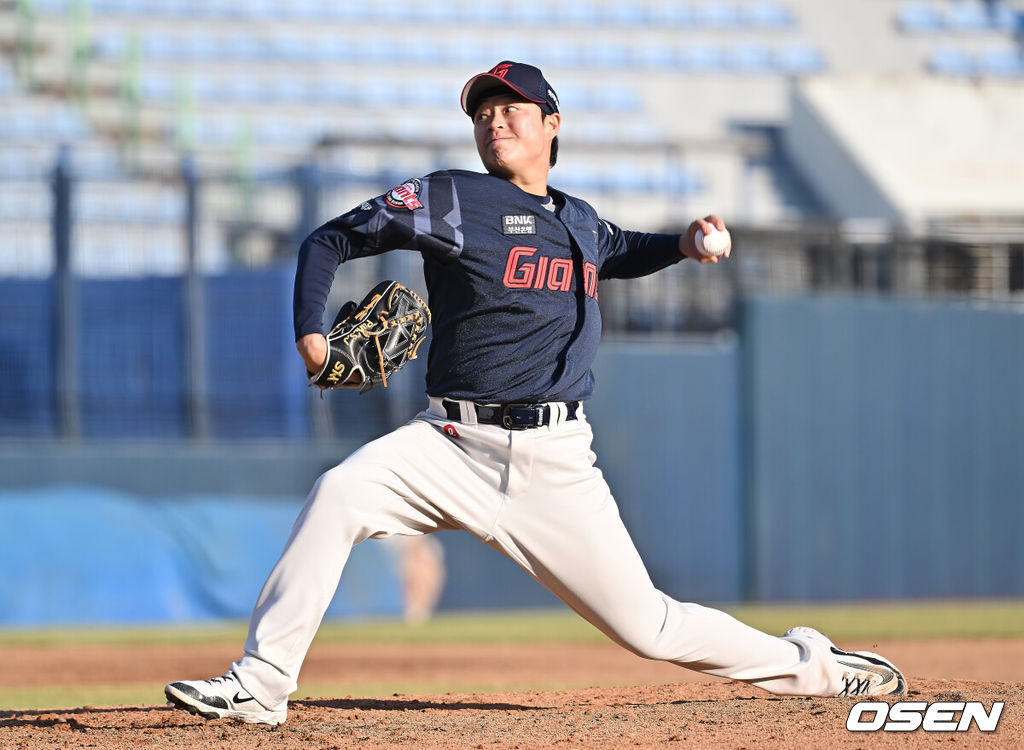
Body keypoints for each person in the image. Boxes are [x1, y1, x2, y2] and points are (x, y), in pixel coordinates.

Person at [165, 61, 905, 726]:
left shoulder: (579, 220)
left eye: (512, 109)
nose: (494, 121)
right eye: (483, 112)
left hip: (555, 460)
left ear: (553, 124)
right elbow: (329, 240)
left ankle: (815, 666)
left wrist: (681, 244)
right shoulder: (451, 198)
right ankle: (262, 683)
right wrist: (311, 333)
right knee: (336, 495)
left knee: (649, 628)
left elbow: (621, 250)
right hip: (448, 443)